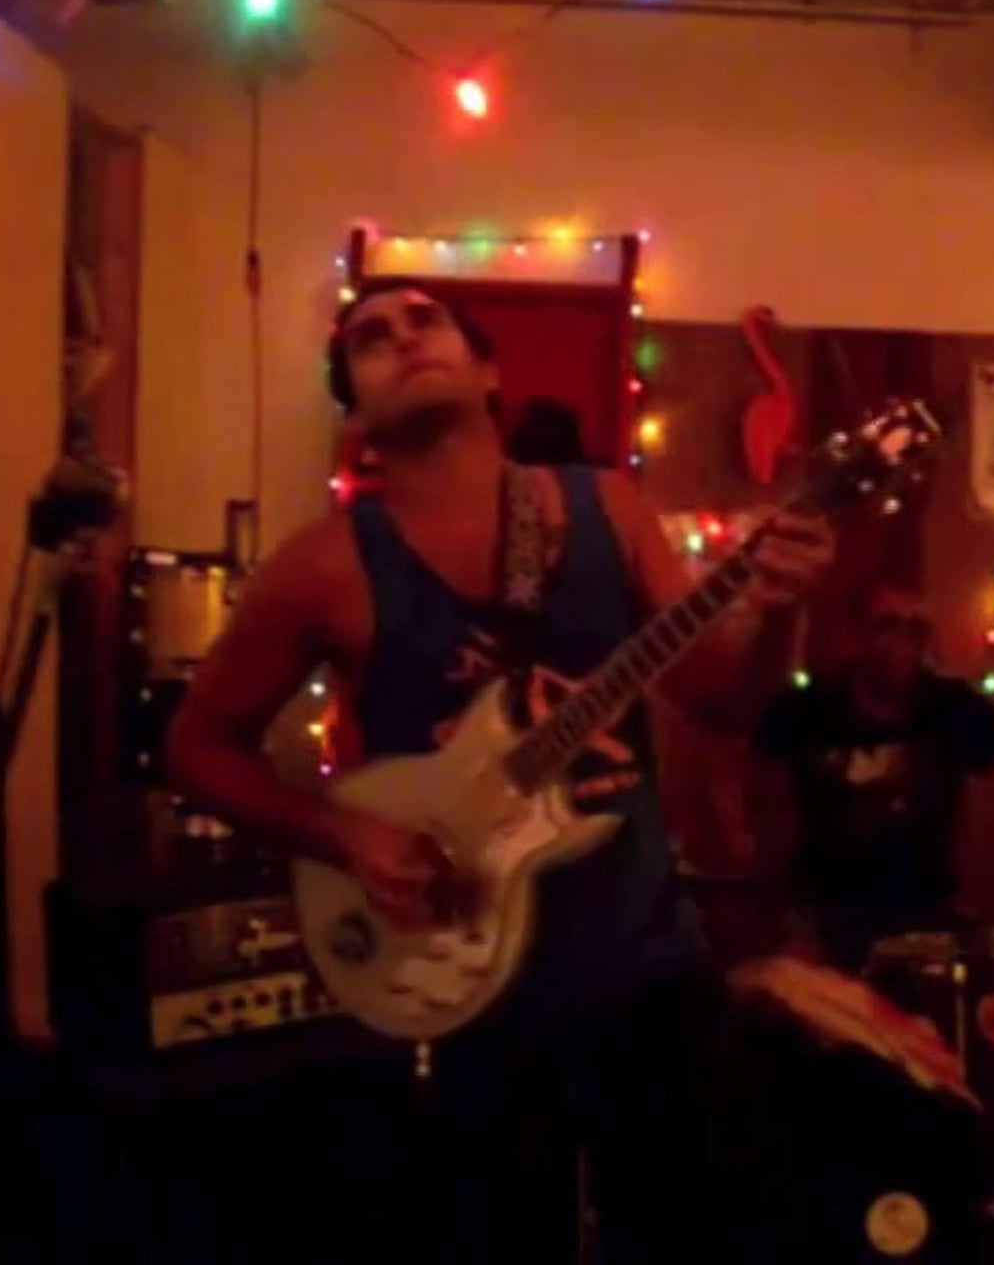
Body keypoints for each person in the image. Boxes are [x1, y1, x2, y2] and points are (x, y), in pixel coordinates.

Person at [164, 278, 831, 1263]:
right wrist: (344, 835)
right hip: (452, 975)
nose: (402, 338)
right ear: (357, 412)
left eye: (423, 320)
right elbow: (195, 747)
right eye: (370, 339)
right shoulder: (322, 568)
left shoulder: (607, 508)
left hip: (644, 952)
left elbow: (724, 702)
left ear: (489, 370)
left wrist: (778, 609)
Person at [753, 585, 994, 971]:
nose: (903, 640)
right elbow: (757, 792)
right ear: (858, 636)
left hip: (927, 920)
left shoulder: (948, 706)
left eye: (916, 629)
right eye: (888, 626)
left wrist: (992, 883)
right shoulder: (812, 708)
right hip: (826, 920)